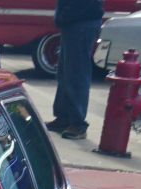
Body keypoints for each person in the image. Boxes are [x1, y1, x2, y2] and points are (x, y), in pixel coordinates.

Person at [51, 0, 104, 139]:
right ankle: (64, 118)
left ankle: (78, 124)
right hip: (75, 21)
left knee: (76, 74)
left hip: (81, 21)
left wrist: (64, 15)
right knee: (65, 72)